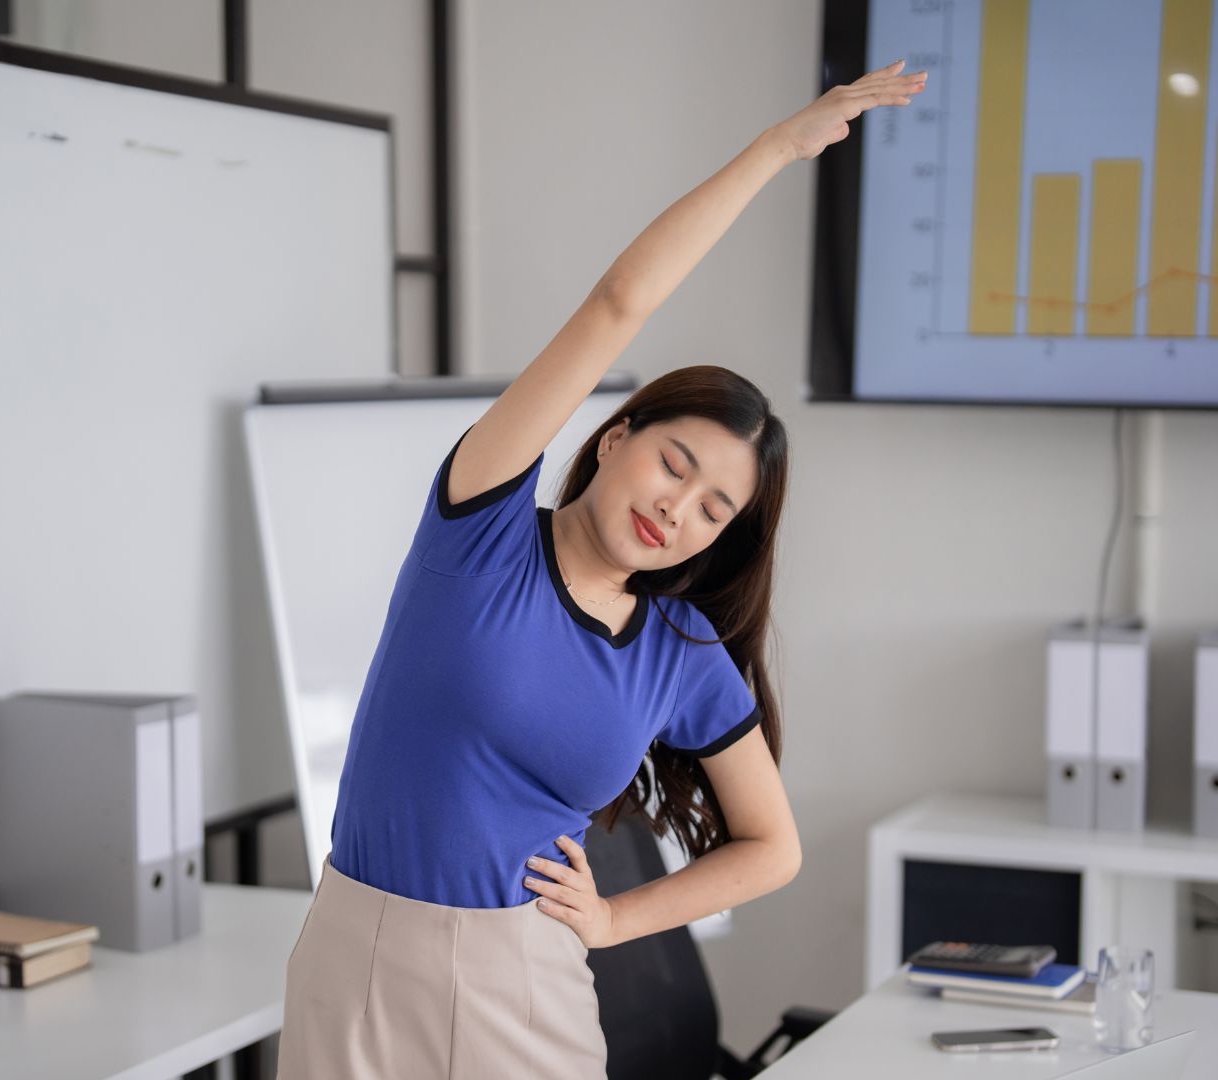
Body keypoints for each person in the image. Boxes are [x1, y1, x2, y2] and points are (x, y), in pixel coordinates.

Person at [276, 58, 928, 1080]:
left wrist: (619, 919)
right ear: (617, 436)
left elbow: (773, 847)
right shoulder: (480, 525)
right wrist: (777, 149)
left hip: (527, 984)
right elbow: (619, 303)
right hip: (358, 958)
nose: (680, 508)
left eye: (716, 509)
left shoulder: (680, 650)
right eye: (676, 464)